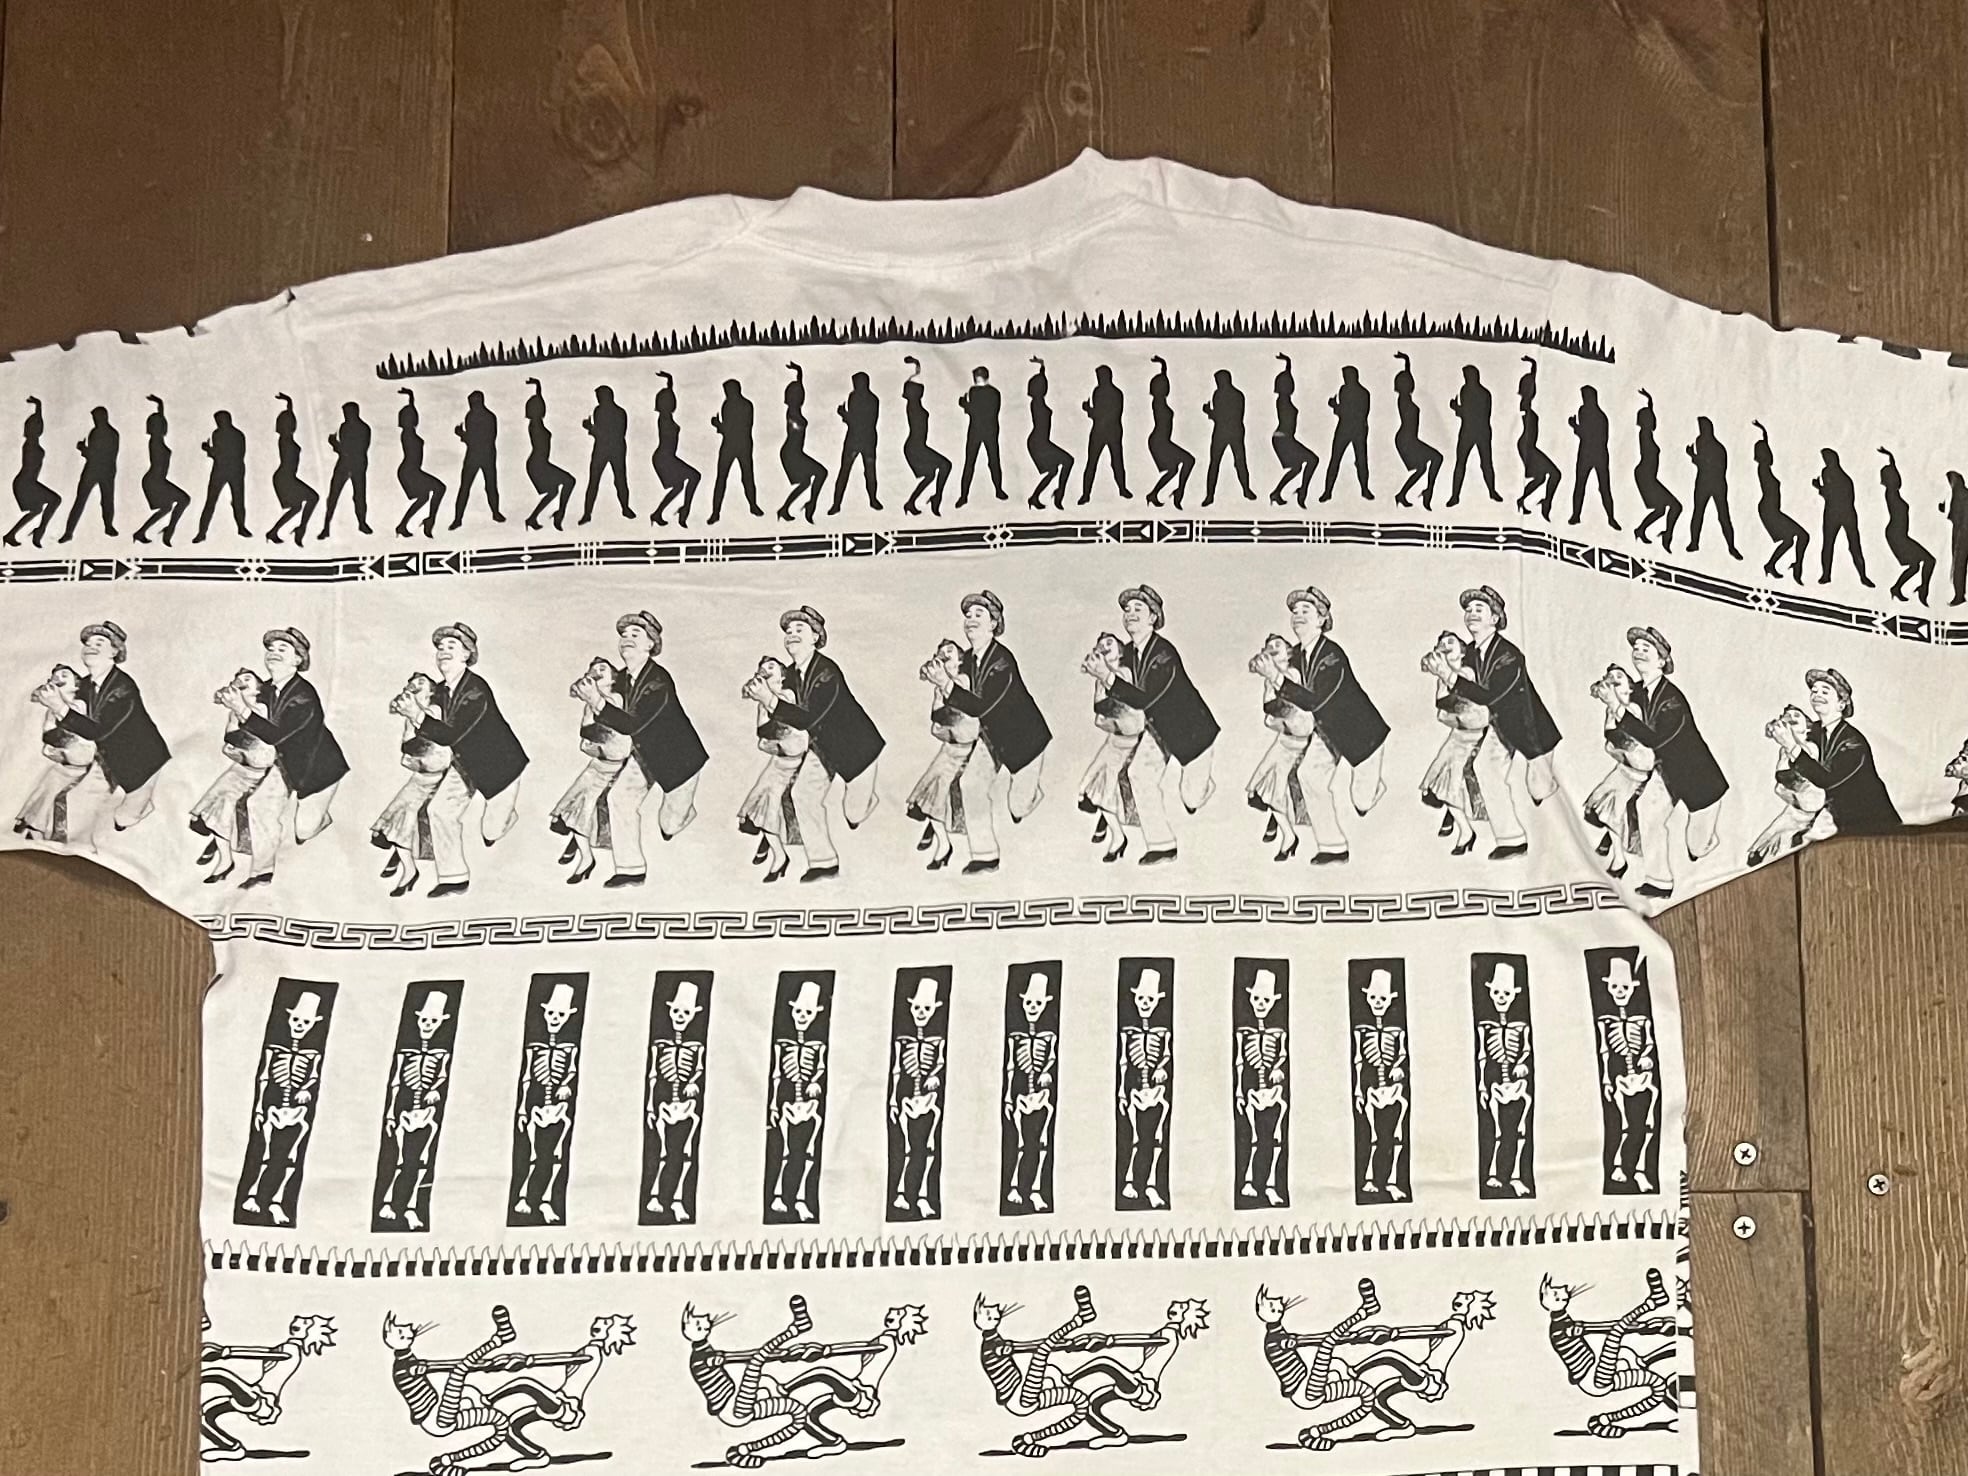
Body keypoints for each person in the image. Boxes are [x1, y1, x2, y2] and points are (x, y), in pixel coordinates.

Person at [1090, 584, 1218, 866]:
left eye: (1139, 608)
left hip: (1191, 733)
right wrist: (1101, 674)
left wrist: (1107, 678)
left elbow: (1145, 698)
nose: (1130, 613)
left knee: (1192, 798)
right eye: (1127, 609)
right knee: (1138, 774)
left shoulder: (1163, 653)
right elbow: (1117, 691)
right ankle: (1162, 845)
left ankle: (1203, 788)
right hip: (1157, 729)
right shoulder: (1128, 653)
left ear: (1153, 618)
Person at [1259, 585, 1389, 864]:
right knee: (1309, 775)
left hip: (1361, 735)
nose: (1298, 615)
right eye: (1295, 611)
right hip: (1327, 731)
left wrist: (1277, 679)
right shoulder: (1295, 655)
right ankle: (1333, 847)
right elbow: (1284, 691)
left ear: (1321, 620)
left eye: (1306, 611)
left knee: (1362, 801)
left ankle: (1374, 788)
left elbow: (1315, 700)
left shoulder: (1332, 655)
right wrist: (1270, 677)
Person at [925, 589, 1051, 874]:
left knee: (1018, 807)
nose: (970, 619)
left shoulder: (1002, 661)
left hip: (1024, 741)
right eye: (968, 615)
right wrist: (940, 683)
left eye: (978, 614)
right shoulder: (967, 659)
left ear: (994, 623)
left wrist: (946, 684)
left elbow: (981, 706)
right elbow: (957, 698)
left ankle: (1031, 795)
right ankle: (985, 856)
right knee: (971, 784)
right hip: (991, 737)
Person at [401, 622, 529, 897]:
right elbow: (429, 729)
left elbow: (451, 734)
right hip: (465, 763)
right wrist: (412, 713)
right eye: (440, 647)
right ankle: (454, 877)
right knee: (439, 811)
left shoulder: (475, 690)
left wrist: (417, 715)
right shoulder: (440, 691)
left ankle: (506, 816)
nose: (443, 651)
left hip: (500, 768)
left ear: (467, 655)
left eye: (452, 646)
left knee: (491, 831)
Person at [582, 610, 708, 887]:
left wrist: (597, 702)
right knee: (619, 798)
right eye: (624, 635)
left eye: (635, 634)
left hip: (678, 761)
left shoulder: (658, 680)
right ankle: (631, 869)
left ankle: (683, 813)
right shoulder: (622, 678)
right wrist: (594, 695)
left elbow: (633, 723)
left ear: (650, 644)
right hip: (644, 754)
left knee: (669, 825)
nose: (626, 638)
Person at [222, 627, 348, 889]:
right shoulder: (267, 689)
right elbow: (252, 715)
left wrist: (241, 709)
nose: (274, 653)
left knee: (304, 830)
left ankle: (321, 818)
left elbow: (276, 735)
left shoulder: (304, 695)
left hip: (317, 771)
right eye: (271, 649)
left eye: (283, 649)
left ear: (298, 660)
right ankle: (262, 872)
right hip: (284, 764)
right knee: (258, 805)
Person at [768, 606, 885, 882]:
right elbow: (784, 716)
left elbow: (809, 717)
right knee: (802, 794)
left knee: (853, 813)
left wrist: (770, 701)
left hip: (856, 750)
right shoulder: (791, 674)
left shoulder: (826, 671)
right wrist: (767, 697)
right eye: (788, 631)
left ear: (815, 637)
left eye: (799, 629)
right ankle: (823, 862)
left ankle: (867, 800)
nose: (791, 635)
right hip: (822, 747)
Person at [1613, 627, 1727, 900]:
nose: (1639, 652)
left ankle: (1708, 841)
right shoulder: (1637, 692)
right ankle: (1659, 881)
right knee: (1647, 811)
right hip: (1666, 772)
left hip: (1698, 780)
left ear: (1662, 661)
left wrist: (1619, 712)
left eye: (1647, 649)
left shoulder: (1672, 699)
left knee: (1697, 847)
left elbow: (1655, 738)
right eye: (1636, 648)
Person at [1448, 586, 1561, 859]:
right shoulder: (1470, 653)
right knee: (1485, 766)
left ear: (1495, 618)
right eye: (1468, 609)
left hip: (1530, 731)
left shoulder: (1509, 655)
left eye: (1479, 609)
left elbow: (1491, 696)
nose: (1471, 613)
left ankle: (1546, 792)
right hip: (1499, 726)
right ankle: (1512, 839)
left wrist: (1451, 678)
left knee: (1542, 789)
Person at [31, 620, 171, 838]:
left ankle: (139, 807)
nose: (90, 647)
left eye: (99, 643)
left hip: (142, 761)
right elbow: (73, 711)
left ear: (114, 652)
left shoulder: (123, 687)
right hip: (106, 757)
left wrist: (58, 706)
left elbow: (99, 731)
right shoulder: (86, 684)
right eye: (88, 643)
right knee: (79, 802)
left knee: (123, 818)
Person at [1772, 667, 1901, 832]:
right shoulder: (1815, 732)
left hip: (1874, 823)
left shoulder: (1853, 742)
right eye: (1814, 691)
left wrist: (1791, 745)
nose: (1817, 695)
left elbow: (1827, 780)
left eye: (1825, 692)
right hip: (1839, 823)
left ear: (1841, 704)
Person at [548, 656, 634, 885]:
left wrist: (595, 736)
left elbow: (615, 739)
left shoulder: (615, 700)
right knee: (570, 808)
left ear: (613, 679)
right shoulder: (591, 706)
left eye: (602, 669)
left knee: (583, 810)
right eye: (593, 670)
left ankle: (586, 860)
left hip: (612, 769)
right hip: (596, 766)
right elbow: (587, 740)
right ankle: (580, 848)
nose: (596, 672)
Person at [188, 668, 277, 885]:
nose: (241, 682)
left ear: (258, 689)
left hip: (260, 774)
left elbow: (264, 748)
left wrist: (241, 748)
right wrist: (237, 750)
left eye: (247, 679)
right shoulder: (234, 714)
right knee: (207, 807)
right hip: (240, 770)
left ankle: (225, 860)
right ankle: (222, 849)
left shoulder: (263, 710)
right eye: (238, 680)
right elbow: (230, 739)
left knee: (225, 805)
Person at [370, 672, 450, 897]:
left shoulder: (434, 711)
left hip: (435, 777)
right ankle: (402, 859)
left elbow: (435, 743)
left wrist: (416, 726)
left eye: (421, 683)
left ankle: (409, 871)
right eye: (412, 684)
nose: (415, 685)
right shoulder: (411, 717)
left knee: (403, 820)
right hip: (420, 776)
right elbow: (407, 749)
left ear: (431, 691)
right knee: (392, 820)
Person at [905, 639, 981, 870]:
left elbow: (954, 717)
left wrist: (943, 701)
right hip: (949, 748)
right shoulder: (941, 687)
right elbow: (938, 719)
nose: (944, 656)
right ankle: (937, 833)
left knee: (938, 792)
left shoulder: (963, 681)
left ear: (960, 660)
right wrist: (939, 693)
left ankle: (944, 847)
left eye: (950, 652)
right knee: (928, 791)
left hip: (963, 751)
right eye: (941, 654)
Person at [1244, 633, 1316, 861]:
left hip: (1295, 743)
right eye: (1269, 647)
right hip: (1284, 740)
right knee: (1256, 786)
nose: (1273, 648)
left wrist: (1276, 714)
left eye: (1278, 645)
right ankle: (1282, 827)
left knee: (1273, 792)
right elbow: (1270, 711)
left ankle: (1289, 837)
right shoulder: (1270, 681)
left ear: (1288, 653)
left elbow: (1284, 709)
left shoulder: (1292, 675)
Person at [1418, 632, 1491, 856]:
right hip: (1457, 735)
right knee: (1437, 780)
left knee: (1451, 782)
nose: (1445, 646)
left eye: (1451, 643)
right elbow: (1443, 713)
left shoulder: (1467, 673)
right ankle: (1460, 824)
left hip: (1473, 736)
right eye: (1441, 644)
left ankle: (1466, 833)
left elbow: (1469, 706)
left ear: (1462, 651)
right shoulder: (1442, 680)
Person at [736, 656, 808, 883]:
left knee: (769, 804)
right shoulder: (763, 702)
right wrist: (762, 703)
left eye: (771, 667)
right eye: (762, 668)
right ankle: (771, 845)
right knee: (759, 803)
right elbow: (763, 736)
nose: (765, 670)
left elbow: (786, 730)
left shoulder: (787, 696)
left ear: (782, 674)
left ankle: (780, 858)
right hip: (778, 761)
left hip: (792, 762)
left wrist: (767, 704)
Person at [1076, 632, 1146, 862]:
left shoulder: (1124, 674)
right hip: (1114, 741)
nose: (1104, 647)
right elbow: (1100, 718)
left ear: (1120, 652)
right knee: (1085, 787)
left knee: (1103, 792)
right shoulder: (1100, 681)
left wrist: (1113, 719)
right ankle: (1110, 826)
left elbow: (1128, 713)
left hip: (1130, 743)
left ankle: (1118, 839)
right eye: (1100, 645)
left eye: (1109, 644)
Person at [1582, 664, 1655, 880]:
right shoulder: (1611, 711)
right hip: (1623, 768)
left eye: (1619, 679)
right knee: (1597, 803)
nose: (1613, 682)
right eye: (1609, 679)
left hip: (1636, 772)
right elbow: (1611, 743)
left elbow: (1629, 744)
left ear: (1630, 687)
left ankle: (1619, 859)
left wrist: (1617, 745)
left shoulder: (1633, 709)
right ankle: (1612, 843)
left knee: (1612, 810)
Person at [14, 664, 98, 843]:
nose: (58, 678)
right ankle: (31, 822)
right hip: (66, 761)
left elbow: (79, 733)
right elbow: (49, 735)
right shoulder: (51, 712)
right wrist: (53, 745)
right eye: (55, 677)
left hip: (81, 761)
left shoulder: (79, 706)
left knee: (54, 784)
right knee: (48, 782)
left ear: (76, 686)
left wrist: (60, 741)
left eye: (65, 675)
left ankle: (35, 826)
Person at [1752, 420, 1809, 582]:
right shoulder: (1763, 468)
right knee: (1802, 536)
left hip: (1772, 510)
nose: (1770, 455)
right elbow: (1764, 450)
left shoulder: (1766, 467)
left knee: (1790, 540)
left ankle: (1771, 565)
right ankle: (1795, 567)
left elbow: (1765, 446)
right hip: (1769, 510)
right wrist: (1763, 438)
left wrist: (1763, 431)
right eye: (1766, 452)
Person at [1878, 448, 1937, 603]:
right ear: (1891, 479)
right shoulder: (1891, 493)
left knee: (1916, 566)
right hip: (1896, 535)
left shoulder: (1894, 492)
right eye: (1895, 477)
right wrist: (1891, 463)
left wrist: (1891, 457)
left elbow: (1894, 472)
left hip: (1899, 534)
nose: (1898, 479)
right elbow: (1893, 476)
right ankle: (1921, 589)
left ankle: (1898, 588)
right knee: (1929, 560)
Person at [133, 395, 191, 545]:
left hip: (156, 480)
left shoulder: (158, 438)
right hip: (155, 481)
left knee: (166, 508)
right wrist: (160, 408)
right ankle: (169, 531)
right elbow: (159, 420)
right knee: (184, 500)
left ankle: (141, 532)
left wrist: (160, 404)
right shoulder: (156, 440)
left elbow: (160, 418)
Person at [1812, 447, 1872, 586]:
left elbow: (1830, 494)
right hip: (1840, 513)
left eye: (1827, 459)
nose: (1825, 461)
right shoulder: (1832, 473)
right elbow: (1831, 493)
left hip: (1841, 512)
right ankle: (1827, 575)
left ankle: (1861, 576)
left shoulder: (1830, 474)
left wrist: (1818, 487)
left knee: (1846, 545)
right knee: (1834, 545)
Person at [521, 379, 577, 531]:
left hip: (539, 463)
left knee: (554, 491)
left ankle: (532, 518)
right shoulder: (535, 425)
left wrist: (538, 385)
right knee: (569, 481)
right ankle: (559, 514)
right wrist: (537, 390)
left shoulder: (537, 422)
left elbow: (539, 399)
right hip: (538, 464)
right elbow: (538, 402)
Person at [898, 357, 951, 516]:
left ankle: (910, 503)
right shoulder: (913, 405)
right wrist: (916, 369)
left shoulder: (915, 404)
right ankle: (936, 498)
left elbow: (914, 381)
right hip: (915, 447)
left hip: (916, 446)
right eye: (920, 389)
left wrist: (917, 366)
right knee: (945, 465)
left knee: (930, 475)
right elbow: (913, 383)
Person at [5, 396, 61, 547]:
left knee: (36, 510)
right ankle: (39, 531)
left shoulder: (33, 442)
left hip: (27, 482)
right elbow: (36, 423)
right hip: (25, 483)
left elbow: (38, 422)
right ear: (30, 429)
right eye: (36, 425)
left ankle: (10, 535)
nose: (39, 427)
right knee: (55, 500)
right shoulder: (30, 444)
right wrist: (38, 408)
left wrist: (39, 406)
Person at [649, 371, 702, 527]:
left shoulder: (667, 417)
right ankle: (684, 511)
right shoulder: (664, 418)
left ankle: (658, 513)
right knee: (694, 476)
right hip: (664, 458)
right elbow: (667, 398)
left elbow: (669, 393)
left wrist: (670, 380)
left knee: (679, 486)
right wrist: (669, 386)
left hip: (666, 457)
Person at [1631, 390, 1682, 551]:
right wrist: (1649, 406)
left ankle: (1641, 530)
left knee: (1660, 510)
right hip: (1645, 476)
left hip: (1647, 476)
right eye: (1650, 419)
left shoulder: (1647, 433)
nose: (1654, 421)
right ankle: (1666, 536)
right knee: (1676, 506)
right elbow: (1650, 422)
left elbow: (1651, 418)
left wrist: (1650, 401)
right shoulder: (1645, 434)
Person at [1684, 415, 1741, 558]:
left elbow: (1709, 465)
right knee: (1698, 513)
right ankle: (1694, 542)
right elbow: (1703, 463)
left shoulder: (1717, 448)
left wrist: (1692, 456)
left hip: (1716, 484)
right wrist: (1695, 457)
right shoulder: (1700, 441)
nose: (1701, 430)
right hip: (1704, 483)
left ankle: (1731, 546)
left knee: (1723, 516)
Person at [267, 392, 320, 545]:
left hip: (287, 477)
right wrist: (288, 406)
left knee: (297, 507)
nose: (293, 425)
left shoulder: (288, 437)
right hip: (285, 477)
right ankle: (300, 529)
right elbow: (288, 417)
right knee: (312, 498)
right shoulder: (285, 439)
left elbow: (289, 415)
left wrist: (289, 402)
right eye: (289, 423)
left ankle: (274, 532)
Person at [60, 405, 119, 542]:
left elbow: (97, 455)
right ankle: (70, 532)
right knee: (88, 501)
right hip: (98, 471)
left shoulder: (105, 434)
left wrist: (82, 449)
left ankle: (107, 526)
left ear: (104, 417)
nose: (95, 420)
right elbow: (95, 455)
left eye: (96, 418)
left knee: (103, 501)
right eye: (94, 418)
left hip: (101, 471)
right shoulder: (104, 433)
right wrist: (85, 450)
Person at [393, 388, 446, 539]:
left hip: (411, 470)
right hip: (410, 471)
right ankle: (429, 521)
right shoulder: (407, 434)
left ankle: (403, 525)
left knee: (424, 497)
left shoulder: (410, 432)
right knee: (440, 488)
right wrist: (410, 402)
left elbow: (411, 410)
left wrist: (411, 397)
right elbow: (410, 413)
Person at [1391, 353, 1442, 508]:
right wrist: (1406, 365)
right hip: (1406, 440)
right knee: (1437, 458)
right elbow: (1407, 378)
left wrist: (1407, 361)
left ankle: (1402, 494)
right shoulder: (1403, 399)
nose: (1410, 383)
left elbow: (1408, 375)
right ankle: (1428, 492)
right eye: (1407, 382)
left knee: (1422, 468)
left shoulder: (1407, 397)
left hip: (1409, 439)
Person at [1144, 355, 1195, 509]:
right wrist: (1162, 368)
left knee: (1173, 470)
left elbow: (1163, 377)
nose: (1168, 387)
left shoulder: (1161, 401)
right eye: (1165, 386)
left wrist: (1163, 364)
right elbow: (1162, 381)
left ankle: (1153, 494)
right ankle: (1179, 494)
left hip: (1161, 441)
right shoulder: (1158, 402)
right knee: (1189, 460)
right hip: (1159, 441)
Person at [1267, 354, 1319, 507]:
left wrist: (1288, 363)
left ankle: (1277, 493)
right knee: (1312, 460)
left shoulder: (1285, 399)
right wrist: (1287, 367)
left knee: (1297, 468)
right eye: (1289, 384)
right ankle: (1302, 492)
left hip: (1285, 438)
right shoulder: (1282, 400)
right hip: (1283, 439)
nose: (1292, 386)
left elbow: (1287, 375)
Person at [775, 366, 825, 523]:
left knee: (806, 482)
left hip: (794, 452)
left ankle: (785, 509)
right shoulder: (792, 412)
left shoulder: (796, 409)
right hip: (791, 453)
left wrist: (799, 372)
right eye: (797, 395)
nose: (801, 396)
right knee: (821, 473)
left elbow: (800, 386)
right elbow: (794, 426)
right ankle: (810, 505)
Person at [1024, 357, 1075, 510]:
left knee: (1053, 470)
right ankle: (1059, 495)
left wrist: (1042, 367)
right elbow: (1040, 383)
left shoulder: (1037, 401)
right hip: (1039, 443)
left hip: (1039, 441)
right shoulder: (1037, 403)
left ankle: (1034, 497)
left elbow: (1040, 381)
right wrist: (1042, 371)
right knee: (1068, 461)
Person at [579, 385, 633, 522]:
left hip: (612, 449)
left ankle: (625, 507)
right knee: (596, 481)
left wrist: (591, 428)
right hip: (606, 449)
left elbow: (611, 435)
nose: (598, 400)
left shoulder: (617, 412)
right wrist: (592, 429)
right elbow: (603, 434)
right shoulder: (604, 411)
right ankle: (588, 513)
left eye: (599, 397)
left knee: (618, 480)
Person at [830, 371, 881, 514]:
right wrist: (846, 415)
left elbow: (860, 422)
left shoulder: (868, 399)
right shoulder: (859, 397)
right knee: (851, 471)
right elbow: (856, 421)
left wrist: (843, 414)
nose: (855, 386)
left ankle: (871, 499)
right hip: (860, 438)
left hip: (862, 439)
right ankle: (837, 504)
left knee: (864, 472)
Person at [196, 409, 251, 543]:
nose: (218, 423)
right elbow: (220, 454)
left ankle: (241, 527)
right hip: (224, 470)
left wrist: (209, 450)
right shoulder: (220, 434)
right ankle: (202, 532)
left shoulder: (234, 435)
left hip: (231, 470)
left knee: (236, 501)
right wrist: (211, 451)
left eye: (220, 421)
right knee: (212, 502)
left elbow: (228, 454)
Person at [1515, 359, 1561, 517]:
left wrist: (1533, 364)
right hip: (1527, 446)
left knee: (1541, 478)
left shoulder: (1527, 404)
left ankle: (1522, 501)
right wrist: (1532, 368)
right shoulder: (1525, 405)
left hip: (1528, 446)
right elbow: (1529, 385)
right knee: (1555, 474)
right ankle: (1545, 503)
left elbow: (1532, 379)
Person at [1567, 382, 1617, 527]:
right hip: (1590, 453)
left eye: (1585, 396)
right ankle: (1576, 515)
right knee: (1582, 485)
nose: (1583, 399)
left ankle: (1610, 517)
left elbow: (1587, 435)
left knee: (1602, 488)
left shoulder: (1598, 416)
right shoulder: (1585, 411)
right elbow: (1586, 434)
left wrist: (1574, 426)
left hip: (1596, 454)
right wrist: (1577, 427)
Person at [452, 389, 503, 529]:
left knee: (482, 486)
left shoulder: (480, 417)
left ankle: (494, 512)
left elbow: (479, 439)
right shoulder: (480, 416)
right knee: (473, 487)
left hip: (481, 455)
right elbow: (476, 439)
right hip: (480, 456)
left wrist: (461, 434)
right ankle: (459, 518)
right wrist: (464, 435)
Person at [1201, 368, 1252, 505]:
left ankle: (1246, 489)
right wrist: (1211, 413)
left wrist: (1209, 412)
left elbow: (1225, 416)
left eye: (1218, 381)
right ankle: (1210, 495)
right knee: (1217, 463)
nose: (1217, 383)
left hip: (1230, 432)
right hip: (1226, 432)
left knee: (1236, 462)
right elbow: (1221, 416)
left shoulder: (1232, 395)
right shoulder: (1223, 394)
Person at [1447, 365, 1496, 505]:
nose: (1466, 379)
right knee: (1462, 464)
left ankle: (1492, 491)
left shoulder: (1482, 393)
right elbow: (1468, 413)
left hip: (1479, 431)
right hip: (1470, 431)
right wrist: (1458, 409)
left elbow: (1473, 414)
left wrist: (1456, 408)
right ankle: (1455, 496)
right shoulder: (1466, 390)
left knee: (1485, 463)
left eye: (1467, 376)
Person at [957, 364, 1005, 505]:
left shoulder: (973, 391)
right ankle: (999, 490)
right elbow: (992, 411)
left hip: (976, 431)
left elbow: (972, 411)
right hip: (991, 430)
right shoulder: (995, 393)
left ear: (976, 378)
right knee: (994, 461)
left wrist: (963, 403)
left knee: (969, 463)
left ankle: (964, 496)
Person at [323, 401, 372, 536]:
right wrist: (337, 446)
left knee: (359, 496)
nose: (345, 416)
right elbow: (345, 450)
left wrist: (335, 444)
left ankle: (362, 523)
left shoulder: (363, 429)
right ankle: (326, 526)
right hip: (346, 464)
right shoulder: (345, 427)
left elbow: (355, 450)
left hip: (356, 465)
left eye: (347, 413)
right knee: (334, 494)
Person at [1080, 365, 1128, 502]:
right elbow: (1099, 414)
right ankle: (1086, 494)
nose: (1099, 379)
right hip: (1101, 432)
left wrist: (1089, 410)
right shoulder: (1100, 392)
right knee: (1093, 463)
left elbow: (1106, 414)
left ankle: (1122, 488)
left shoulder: (1115, 393)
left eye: (1100, 377)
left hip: (1110, 432)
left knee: (1115, 462)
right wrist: (1090, 411)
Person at [1323, 365, 1370, 502]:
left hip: (1352, 429)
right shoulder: (1351, 391)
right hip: (1350, 428)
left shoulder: (1359, 392)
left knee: (1357, 460)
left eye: (1346, 376)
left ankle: (1364, 489)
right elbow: (1346, 412)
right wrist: (1337, 407)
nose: (1345, 379)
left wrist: (1334, 406)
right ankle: (1328, 491)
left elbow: (1349, 412)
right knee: (1339, 460)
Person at [1941, 467, 1968, 606]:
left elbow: (1959, 518)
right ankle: (1959, 595)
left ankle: (1959, 596)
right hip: (1960, 532)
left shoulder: (1961, 495)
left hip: (1962, 535)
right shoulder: (1960, 494)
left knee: (1959, 565)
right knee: (1959, 566)